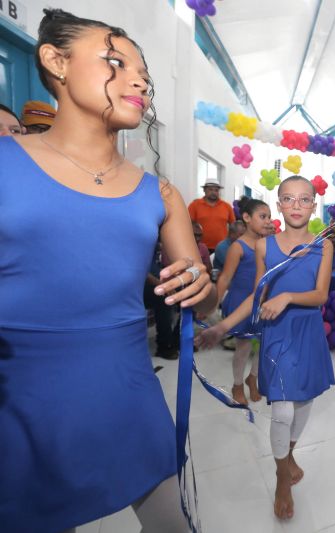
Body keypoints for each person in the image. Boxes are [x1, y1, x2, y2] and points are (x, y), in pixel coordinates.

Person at [0, 9, 217, 532]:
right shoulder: (6, 162)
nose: (138, 79)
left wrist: (201, 286)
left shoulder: (160, 193)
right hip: (21, 400)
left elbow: (206, 305)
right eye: (115, 62)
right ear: (55, 61)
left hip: (128, 391)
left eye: (142, 71)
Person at [197, 175, 335, 519]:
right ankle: (281, 477)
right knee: (284, 410)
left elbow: (320, 295)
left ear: (313, 206)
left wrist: (287, 296)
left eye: (304, 200)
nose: (297, 206)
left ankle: (287, 454)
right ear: (279, 206)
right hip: (278, 333)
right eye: (288, 199)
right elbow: (256, 296)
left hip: (308, 332)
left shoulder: (324, 246)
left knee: (304, 402)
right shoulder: (264, 246)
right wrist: (223, 327)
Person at [215, 199, 272, 405]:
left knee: (264, 344)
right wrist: (214, 302)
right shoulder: (237, 247)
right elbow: (225, 277)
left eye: (269, 217)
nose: (267, 221)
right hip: (242, 302)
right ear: (247, 218)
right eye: (262, 217)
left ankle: (253, 378)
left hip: (264, 301)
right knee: (244, 347)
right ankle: (237, 384)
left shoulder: (269, 244)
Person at [188, 178, 235, 253]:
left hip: (222, 248)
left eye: (216, 190)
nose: (213, 192)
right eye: (210, 189)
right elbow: (188, 225)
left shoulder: (227, 206)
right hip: (199, 247)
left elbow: (233, 226)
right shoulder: (194, 205)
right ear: (204, 190)